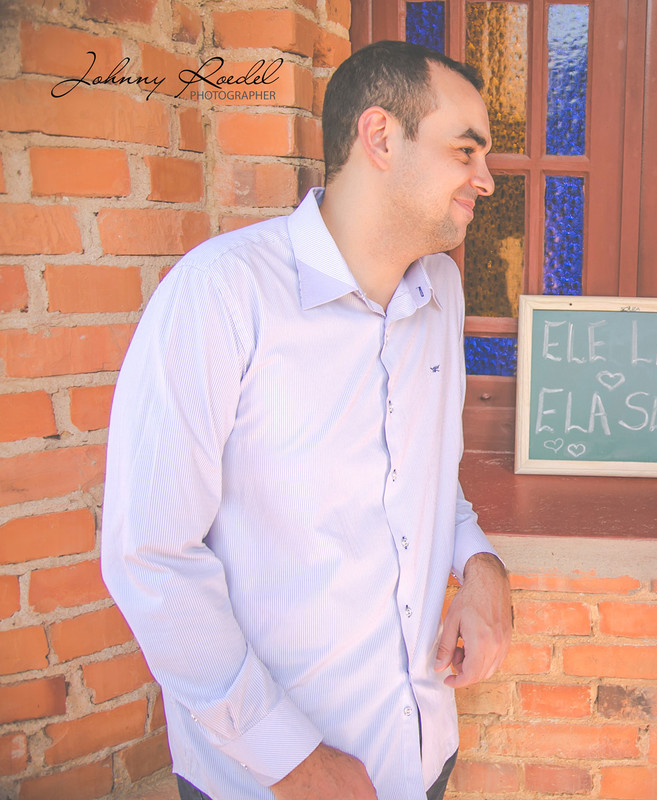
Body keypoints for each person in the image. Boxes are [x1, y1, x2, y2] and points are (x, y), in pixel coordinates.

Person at [101, 41, 512, 800]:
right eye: (465, 151)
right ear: (380, 136)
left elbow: (423, 478)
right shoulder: (220, 295)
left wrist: (481, 565)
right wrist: (292, 761)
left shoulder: (441, 293)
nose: (485, 179)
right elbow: (150, 558)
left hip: (422, 757)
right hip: (273, 782)